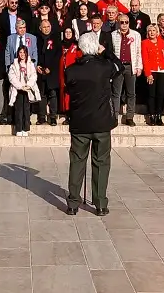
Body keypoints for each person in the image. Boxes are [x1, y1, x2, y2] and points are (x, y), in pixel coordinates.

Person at [64, 32, 122, 216]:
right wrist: (106, 53)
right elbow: (119, 67)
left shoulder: (71, 70)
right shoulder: (105, 67)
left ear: (80, 48)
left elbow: (69, 88)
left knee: (77, 162)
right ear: (95, 47)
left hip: (80, 122)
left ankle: (73, 203)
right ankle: (100, 203)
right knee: (101, 162)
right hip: (102, 122)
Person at [110, 14, 143, 126]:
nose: (124, 24)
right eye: (122, 22)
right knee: (116, 93)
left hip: (130, 66)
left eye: (126, 22)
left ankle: (129, 116)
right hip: (118, 67)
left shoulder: (136, 35)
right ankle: (114, 116)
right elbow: (112, 52)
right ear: (118, 23)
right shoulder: (113, 35)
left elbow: (138, 52)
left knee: (131, 93)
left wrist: (139, 67)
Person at [8, 45, 40, 137]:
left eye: (24, 52)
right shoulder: (14, 64)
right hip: (18, 89)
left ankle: (25, 128)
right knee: (18, 109)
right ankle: (18, 128)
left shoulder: (30, 63)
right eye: (20, 52)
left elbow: (34, 75)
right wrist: (20, 86)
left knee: (26, 109)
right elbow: (11, 77)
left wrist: (28, 85)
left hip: (27, 89)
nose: (22, 54)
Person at [142, 24, 164, 126]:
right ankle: (152, 115)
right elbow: (145, 59)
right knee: (151, 94)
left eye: (154, 30)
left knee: (160, 94)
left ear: (157, 32)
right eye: (150, 31)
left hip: (162, 70)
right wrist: (148, 74)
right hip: (152, 71)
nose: (152, 32)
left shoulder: (162, 42)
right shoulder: (145, 43)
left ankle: (158, 115)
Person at [35, 19, 61, 125]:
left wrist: (50, 67)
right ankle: (41, 116)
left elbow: (58, 54)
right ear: (40, 28)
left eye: (48, 27)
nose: (46, 29)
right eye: (44, 27)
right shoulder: (37, 39)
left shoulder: (56, 38)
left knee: (53, 94)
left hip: (52, 70)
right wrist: (37, 65)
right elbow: (35, 52)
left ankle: (53, 116)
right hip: (40, 70)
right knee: (41, 94)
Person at [59, 26, 81, 123]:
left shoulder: (76, 45)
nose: (68, 34)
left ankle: (74, 115)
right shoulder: (60, 45)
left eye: (70, 32)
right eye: (66, 32)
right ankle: (67, 115)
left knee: (73, 95)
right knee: (65, 95)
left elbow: (80, 58)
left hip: (74, 74)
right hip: (62, 74)